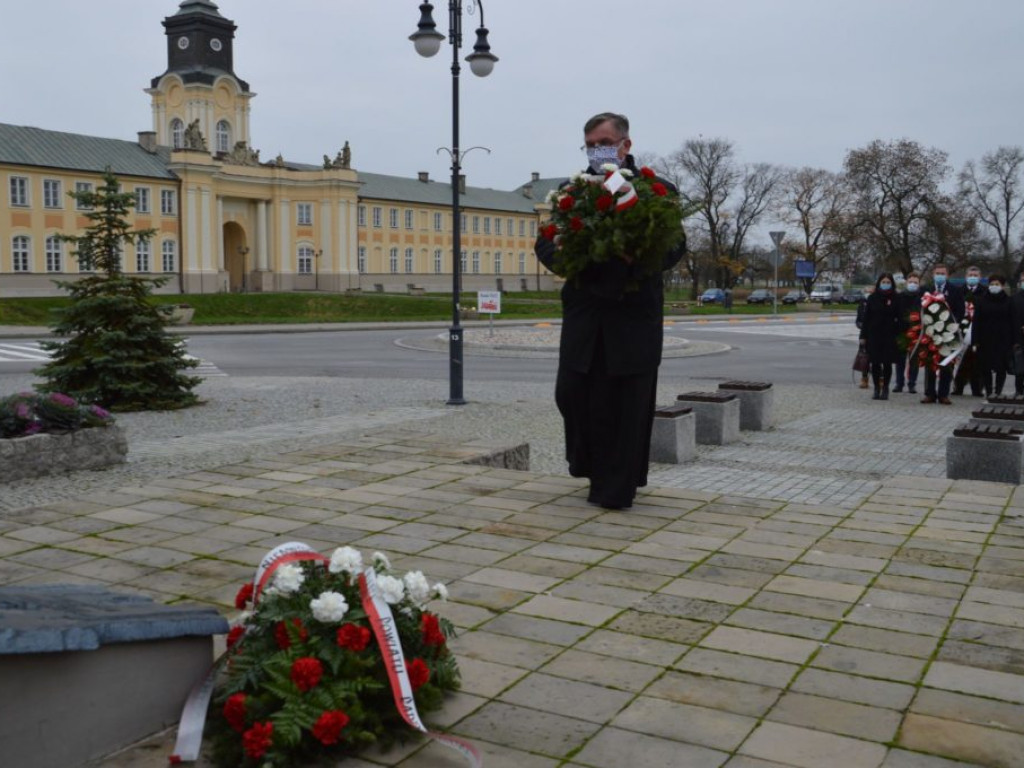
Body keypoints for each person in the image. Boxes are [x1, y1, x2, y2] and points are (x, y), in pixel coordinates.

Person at [534, 112, 685, 510]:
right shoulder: (571, 191)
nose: (596, 150)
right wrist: (568, 258)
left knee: (625, 403)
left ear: (625, 145)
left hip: (632, 316)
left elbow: (673, 246)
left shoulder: (656, 189)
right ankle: (589, 466)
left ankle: (617, 488)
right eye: (589, 144)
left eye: (604, 142)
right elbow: (545, 243)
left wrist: (632, 257)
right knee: (572, 394)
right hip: (585, 313)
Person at [921, 264, 965, 405]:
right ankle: (930, 394)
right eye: (937, 273)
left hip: (948, 333)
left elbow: (960, 310)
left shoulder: (955, 290)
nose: (940, 275)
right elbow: (919, 308)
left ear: (947, 275)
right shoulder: (926, 289)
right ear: (933, 274)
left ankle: (943, 394)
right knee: (930, 363)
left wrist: (951, 325)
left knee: (946, 363)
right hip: (930, 333)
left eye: (942, 273)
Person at [859, 273, 902, 400]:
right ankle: (876, 388)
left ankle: (886, 388)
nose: (885, 284)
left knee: (887, 363)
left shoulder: (896, 298)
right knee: (875, 363)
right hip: (874, 335)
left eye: (888, 282)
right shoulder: (872, 298)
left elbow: (900, 318)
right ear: (879, 283)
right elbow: (866, 318)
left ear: (892, 283)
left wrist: (898, 332)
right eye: (883, 282)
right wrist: (863, 336)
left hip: (890, 335)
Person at [973, 274, 1014, 397]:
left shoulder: (1009, 301)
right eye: (991, 284)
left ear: (1002, 286)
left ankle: (998, 391)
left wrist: (1012, 340)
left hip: (1003, 340)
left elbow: (1012, 321)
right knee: (986, 367)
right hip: (985, 339)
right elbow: (976, 322)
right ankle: (989, 391)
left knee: (1001, 367)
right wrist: (975, 341)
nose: (994, 286)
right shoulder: (981, 301)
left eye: (997, 284)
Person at [954, 264, 985, 396]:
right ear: (966, 277)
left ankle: (977, 388)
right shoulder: (958, 291)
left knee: (977, 361)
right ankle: (958, 387)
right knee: (961, 360)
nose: (972, 278)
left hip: (978, 331)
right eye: (970, 275)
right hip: (961, 331)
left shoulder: (985, 292)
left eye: (975, 276)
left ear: (980, 277)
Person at [894, 271, 922, 394]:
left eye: (915, 282)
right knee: (900, 360)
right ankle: (899, 384)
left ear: (919, 284)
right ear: (906, 283)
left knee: (914, 360)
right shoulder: (900, 297)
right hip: (901, 331)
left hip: (917, 332)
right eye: (910, 282)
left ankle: (912, 384)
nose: (913, 284)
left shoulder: (922, 297)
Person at [855, 295, 870, 389]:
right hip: (865, 334)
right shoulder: (861, 305)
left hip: (877, 335)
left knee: (878, 358)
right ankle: (864, 378)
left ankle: (881, 378)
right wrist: (862, 326)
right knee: (865, 358)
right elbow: (858, 321)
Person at [1012, 275, 1024, 395]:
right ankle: (1019, 391)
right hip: (1019, 338)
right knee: (1020, 368)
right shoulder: (1015, 299)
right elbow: (1012, 318)